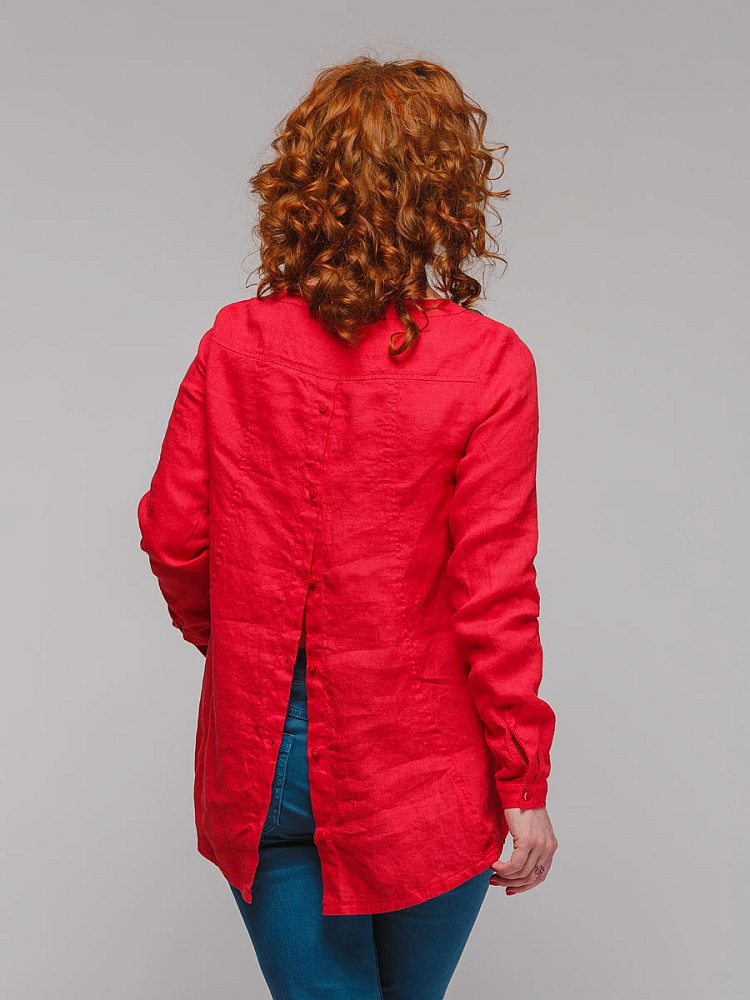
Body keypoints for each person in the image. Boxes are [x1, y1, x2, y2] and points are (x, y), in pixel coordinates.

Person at [137, 55, 559, 1000]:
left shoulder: (235, 343)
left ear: (304, 184)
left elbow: (174, 535)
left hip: (263, 754)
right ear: (446, 194)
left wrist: (245, 643)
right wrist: (523, 782)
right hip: (424, 761)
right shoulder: (490, 365)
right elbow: (494, 593)